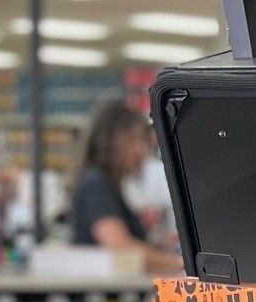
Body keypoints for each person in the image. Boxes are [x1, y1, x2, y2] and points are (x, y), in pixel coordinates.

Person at [70, 99, 180, 271]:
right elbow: (119, 247)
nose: (140, 150)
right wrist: (182, 265)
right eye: (134, 139)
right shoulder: (95, 183)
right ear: (112, 141)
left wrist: (158, 247)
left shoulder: (108, 184)